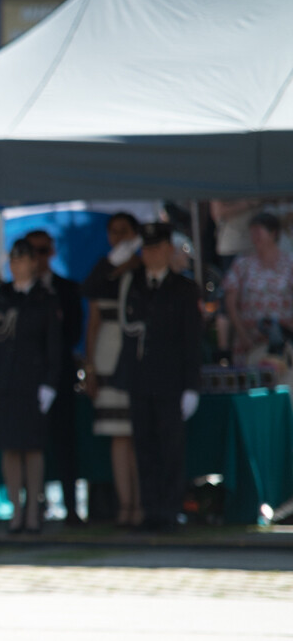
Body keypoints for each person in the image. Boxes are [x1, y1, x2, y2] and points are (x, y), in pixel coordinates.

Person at [119, 223, 202, 532]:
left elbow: (191, 341)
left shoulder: (183, 289)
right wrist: (121, 257)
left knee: (170, 450)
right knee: (145, 448)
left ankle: (170, 510)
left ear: (168, 250)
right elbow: (94, 287)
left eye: (155, 248)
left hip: (171, 383)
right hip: (140, 380)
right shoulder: (134, 284)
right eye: (146, 249)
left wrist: (191, 386)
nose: (149, 255)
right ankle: (151, 510)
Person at [0, 239, 62, 534]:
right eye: (12, 261)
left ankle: (33, 510)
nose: (16, 266)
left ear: (33, 264)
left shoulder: (45, 298)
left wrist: (50, 383)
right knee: (9, 447)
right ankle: (16, 510)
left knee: (33, 448)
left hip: (33, 381)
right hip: (4, 381)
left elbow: (54, 344)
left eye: (22, 260)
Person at [83, 212, 143, 526]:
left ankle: (143, 505)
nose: (118, 237)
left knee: (139, 432)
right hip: (108, 353)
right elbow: (92, 319)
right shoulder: (102, 269)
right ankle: (125, 506)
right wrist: (90, 367)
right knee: (119, 434)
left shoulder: (145, 268)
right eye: (113, 232)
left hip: (138, 353)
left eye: (124, 232)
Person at [24, 229, 85, 525]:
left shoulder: (66, 289)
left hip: (59, 376)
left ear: (52, 252)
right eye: (30, 251)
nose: (37, 257)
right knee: (28, 443)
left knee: (65, 443)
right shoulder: (14, 292)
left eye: (42, 250)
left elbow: (73, 333)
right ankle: (34, 506)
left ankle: (71, 507)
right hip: (25, 379)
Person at [223, 212, 293, 366]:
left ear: (273, 234)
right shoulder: (243, 264)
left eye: (258, 232)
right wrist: (243, 336)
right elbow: (230, 301)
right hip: (250, 342)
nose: (254, 237)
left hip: (284, 340)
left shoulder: (289, 263)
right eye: (252, 233)